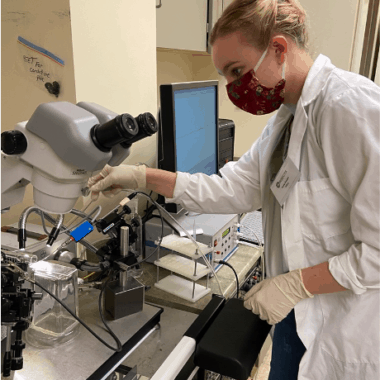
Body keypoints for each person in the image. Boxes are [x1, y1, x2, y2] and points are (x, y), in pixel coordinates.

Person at [87, 0, 380, 378]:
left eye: (237, 70)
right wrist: (143, 177)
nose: (233, 88)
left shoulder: (350, 108)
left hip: (339, 329)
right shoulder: (287, 118)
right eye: (226, 76)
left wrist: (296, 285)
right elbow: (234, 188)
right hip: (297, 319)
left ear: (278, 49)